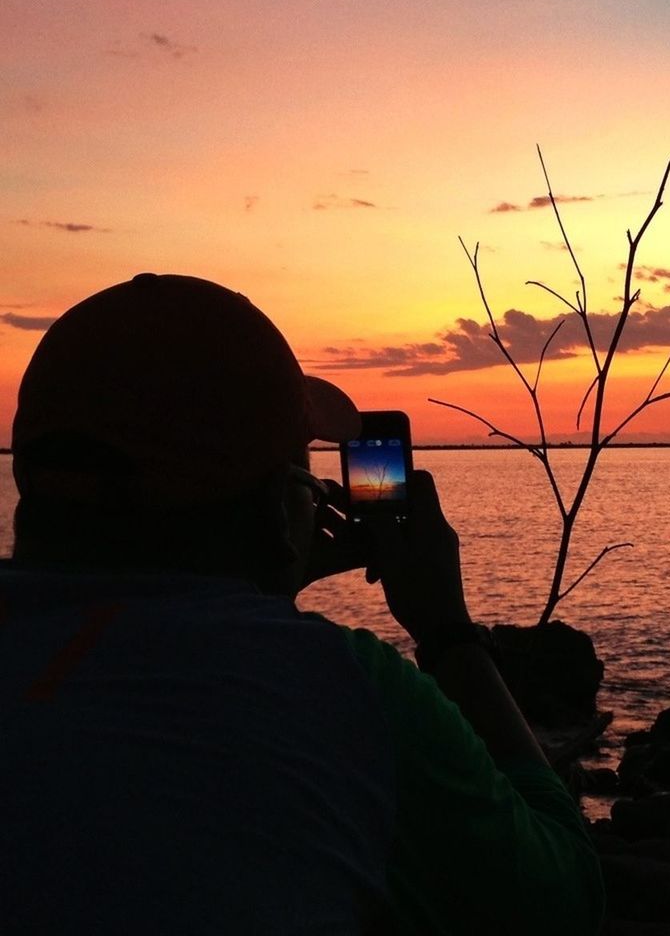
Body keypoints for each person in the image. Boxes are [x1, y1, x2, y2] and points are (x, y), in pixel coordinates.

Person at [0, 273, 604, 934]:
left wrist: (263, 586)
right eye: (304, 471)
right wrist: (447, 633)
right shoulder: (345, 689)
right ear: (279, 500)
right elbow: (560, 899)